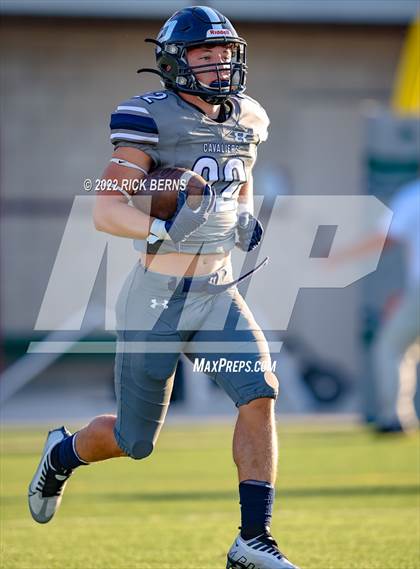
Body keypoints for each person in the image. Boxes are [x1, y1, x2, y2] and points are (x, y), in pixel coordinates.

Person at [28, 7, 300, 569]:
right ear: (175, 62)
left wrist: (243, 215)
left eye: (225, 53)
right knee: (135, 441)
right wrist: (159, 227)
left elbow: (240, 172)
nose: (219, 63)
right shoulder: (149, 117)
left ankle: (252, 540)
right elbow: (106, 208)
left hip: (216, 292)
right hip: (156, 298)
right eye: (205, 54)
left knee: (259, 394)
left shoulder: (247, 116)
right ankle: (62, 453)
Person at [331, 178, 420, 433]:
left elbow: (384, 239)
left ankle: (394, 417)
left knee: (391, 347)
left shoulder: (414, 196)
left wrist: (339, 256)